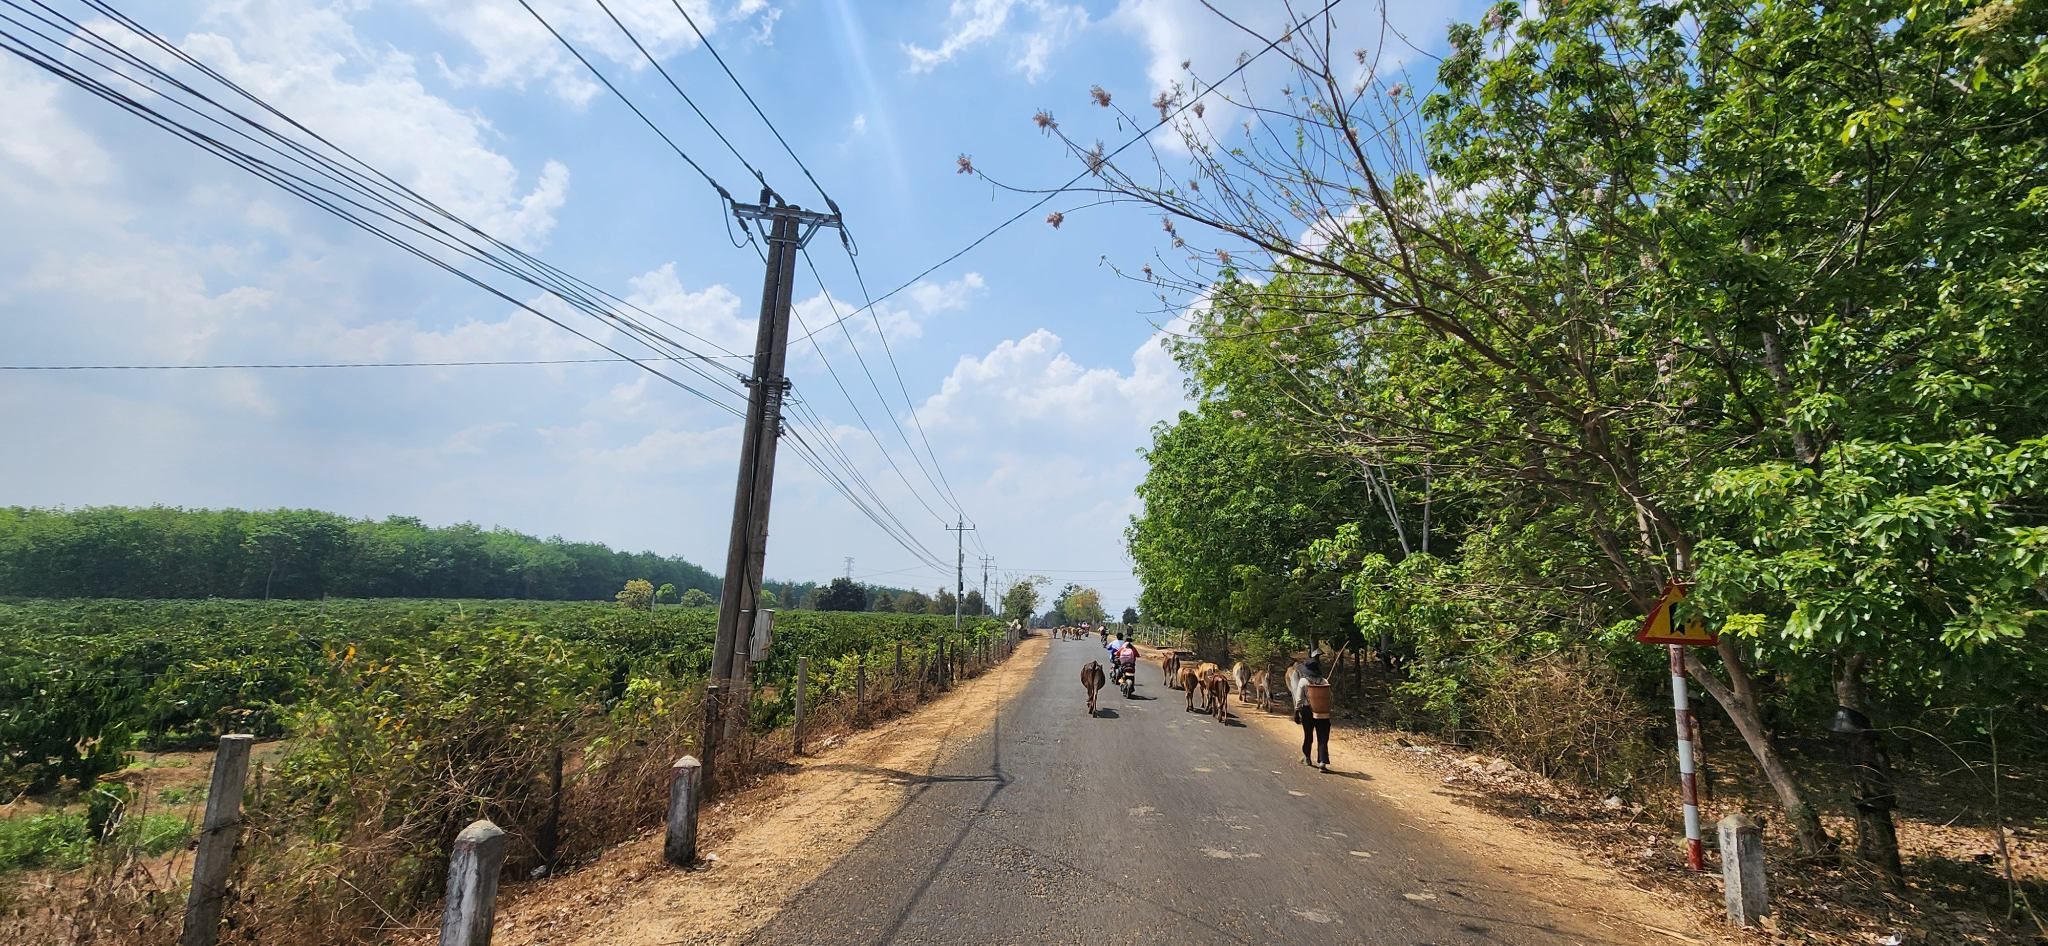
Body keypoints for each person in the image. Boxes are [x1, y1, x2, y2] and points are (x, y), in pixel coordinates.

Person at [1290, 654, 1332, 772]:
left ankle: (1307, 757)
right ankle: (1323, 762)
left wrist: (1296, 711)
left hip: (1308, 711)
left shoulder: (1303, 681)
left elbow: (1299, 699)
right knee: (1323, 737)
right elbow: (1330, 698)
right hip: (1323, 712)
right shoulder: (1325, 681)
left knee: (1308, 735)